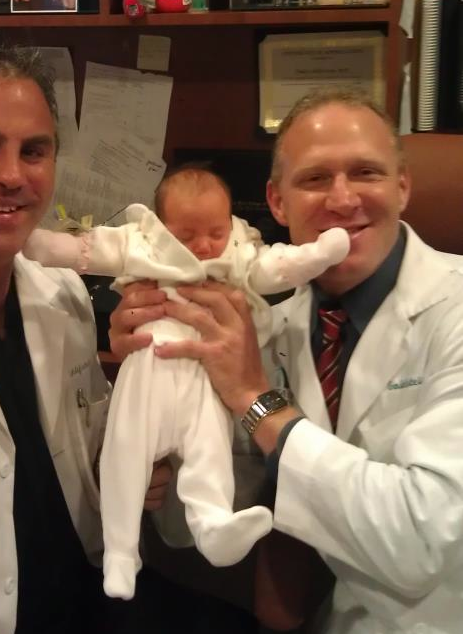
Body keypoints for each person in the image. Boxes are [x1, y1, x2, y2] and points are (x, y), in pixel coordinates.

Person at [0, 45, 276, 634]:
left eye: (34, 152)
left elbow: (68, 458)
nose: (10, 175)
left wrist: (137, 411)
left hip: (88, 605)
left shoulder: (61, 298)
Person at [110, 85, 463, 634]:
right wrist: (158, 434)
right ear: (276, 202)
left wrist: (255, 402)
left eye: (367, 172)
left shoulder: (456, 311)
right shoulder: (271, 329)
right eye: (315, 178)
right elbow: (196, 526)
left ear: (405, 187)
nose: (343, 198)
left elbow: (421, 537)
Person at [23, 167, 348, 600]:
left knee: (208, 446)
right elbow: (88, 249)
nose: (203, 245)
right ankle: (121, 552)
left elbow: (278, 265)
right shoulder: (141, 242)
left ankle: (214, 524)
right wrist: (40, 243)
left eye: (215, 231)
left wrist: (317, 255)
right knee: (126, 453)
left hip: (201, 379)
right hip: (148, 367)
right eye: (187, 233)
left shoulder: (238, 255)